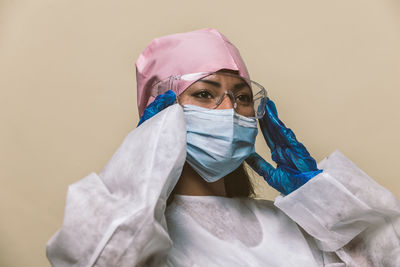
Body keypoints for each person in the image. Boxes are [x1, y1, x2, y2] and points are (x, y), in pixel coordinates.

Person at [46, 28, 400, 267]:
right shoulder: (140, 235)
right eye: (204, 94)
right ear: (162, 111)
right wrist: (142, 162)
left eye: (242, 97)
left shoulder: (291, 224)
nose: (230, 110)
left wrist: (332, 206)